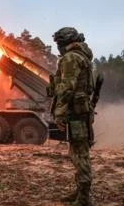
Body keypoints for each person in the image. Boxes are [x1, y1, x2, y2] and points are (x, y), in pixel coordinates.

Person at [52, 27, 94, 205]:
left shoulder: (70, 58)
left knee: (80, 155)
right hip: (81, 111)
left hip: (75, 113)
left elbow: (67, 87)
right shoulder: (81, 56)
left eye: (59, 43)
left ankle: (84, 199)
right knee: (78, 152)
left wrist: (59, 113)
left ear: (64, 42)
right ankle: (80, 193)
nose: (58, 47)